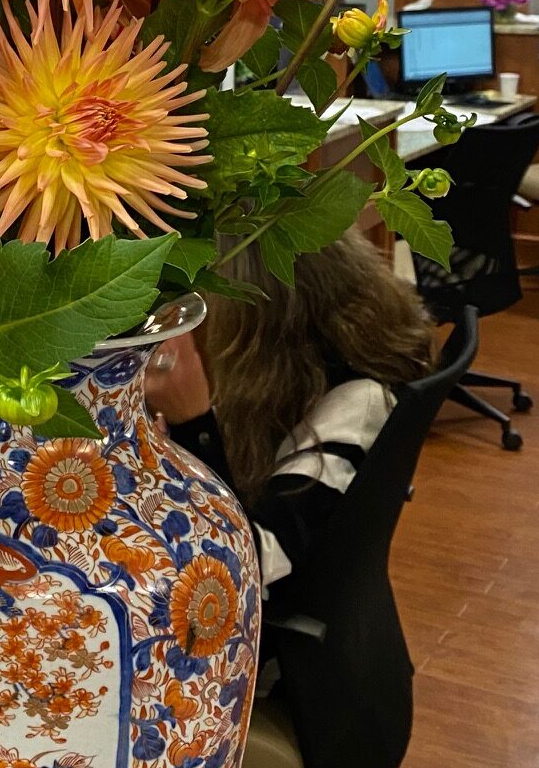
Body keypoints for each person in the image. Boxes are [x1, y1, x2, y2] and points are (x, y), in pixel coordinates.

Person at [146, 232, 433, 593]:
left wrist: (193, 423)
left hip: (254, 613)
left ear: (260, 330)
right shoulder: (290, 383)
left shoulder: (359, 405)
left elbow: (248, 569)